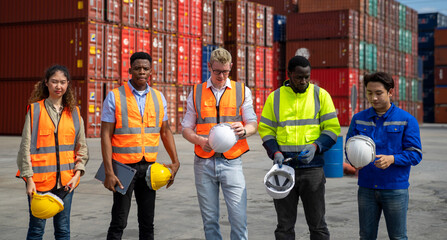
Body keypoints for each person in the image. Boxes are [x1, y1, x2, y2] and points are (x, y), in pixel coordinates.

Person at [258, 55, 341, 240]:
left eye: (307, 77)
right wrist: (275, 152)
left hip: (313, 169)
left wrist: (316, 146)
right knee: (284, 226)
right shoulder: (275, 97)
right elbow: (265, 129)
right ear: (289, 75)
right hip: (283, 168)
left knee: (318, 225)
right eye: (299, 77)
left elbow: (332, 129)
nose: (304, 81)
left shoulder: (321, 95)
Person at [100, 51, 180, 240]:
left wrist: (175, 162)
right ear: (130, 70)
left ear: (151, 71)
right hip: (123, 168)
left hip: (149, 168)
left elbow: (165, 131)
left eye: (145, 68)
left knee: (147, 222)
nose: (141, 72)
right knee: (119, 221)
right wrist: (109, 172)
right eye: (137, 68)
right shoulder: (115, 96)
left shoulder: (159, 98)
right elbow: (105, 135)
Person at [181, 48, 257, 240]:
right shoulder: (197, 92)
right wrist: (199, 140)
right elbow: (186, 129)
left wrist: (245, 130)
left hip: (232, 162)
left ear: (231, 67)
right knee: (210, 221)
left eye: (225, 71)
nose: (221, 76)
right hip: (203, 163)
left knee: (239, 219)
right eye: (217, 72)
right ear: (209, 67)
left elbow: (253, 123)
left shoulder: (242, 91)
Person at [346, 72, 422, 240]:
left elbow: (415, 154)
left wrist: (392, 159)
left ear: (390, 92)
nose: (373, 98)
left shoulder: (406, 120)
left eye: (378, 93)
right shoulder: (359, 119)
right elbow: (349, 146)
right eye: (369, 93)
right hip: (366, 188)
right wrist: (353, 160)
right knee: (366, 236)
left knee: (398, 237)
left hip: (395, 188)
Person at [16, 64, 89, 240]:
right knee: (36, 231)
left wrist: (77, 175)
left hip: (66, 183)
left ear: (68, 84)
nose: (59, 86)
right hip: (39, 184)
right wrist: (29, 180)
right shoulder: (35, 110)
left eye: (63, 82)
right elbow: (25, 147)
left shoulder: (74, 112)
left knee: (63, 230)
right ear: (46, 83)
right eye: (54, 82)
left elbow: (82, 147)